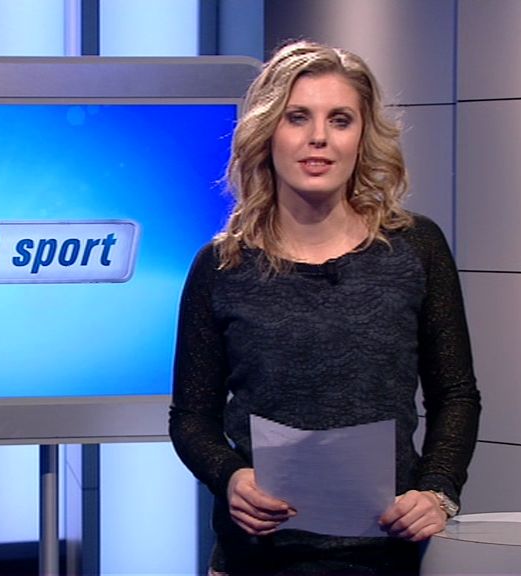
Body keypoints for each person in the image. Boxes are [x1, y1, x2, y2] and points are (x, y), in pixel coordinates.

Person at [169, 40, 482, 576]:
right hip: (257, 560)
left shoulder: (416, 249)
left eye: (340, 119)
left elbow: (456, 394)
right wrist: (230, 477)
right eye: (298, 117)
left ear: (362, 136)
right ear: (268, 132)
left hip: (386, 557)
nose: (319, 137)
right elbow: (191, 418)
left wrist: (437, 491)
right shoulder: (221, 267)